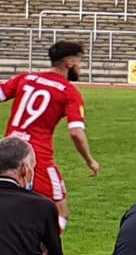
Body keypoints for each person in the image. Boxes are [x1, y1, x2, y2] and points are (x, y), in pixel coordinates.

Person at [0, 41, 100, 234]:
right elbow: (75, 132)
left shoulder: (26, 78)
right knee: (60, 212)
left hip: (6, 150)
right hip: (36, 158)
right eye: (80, 62)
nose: (80, 67)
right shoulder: (69, 92)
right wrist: (90, 160)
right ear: (70, 63)